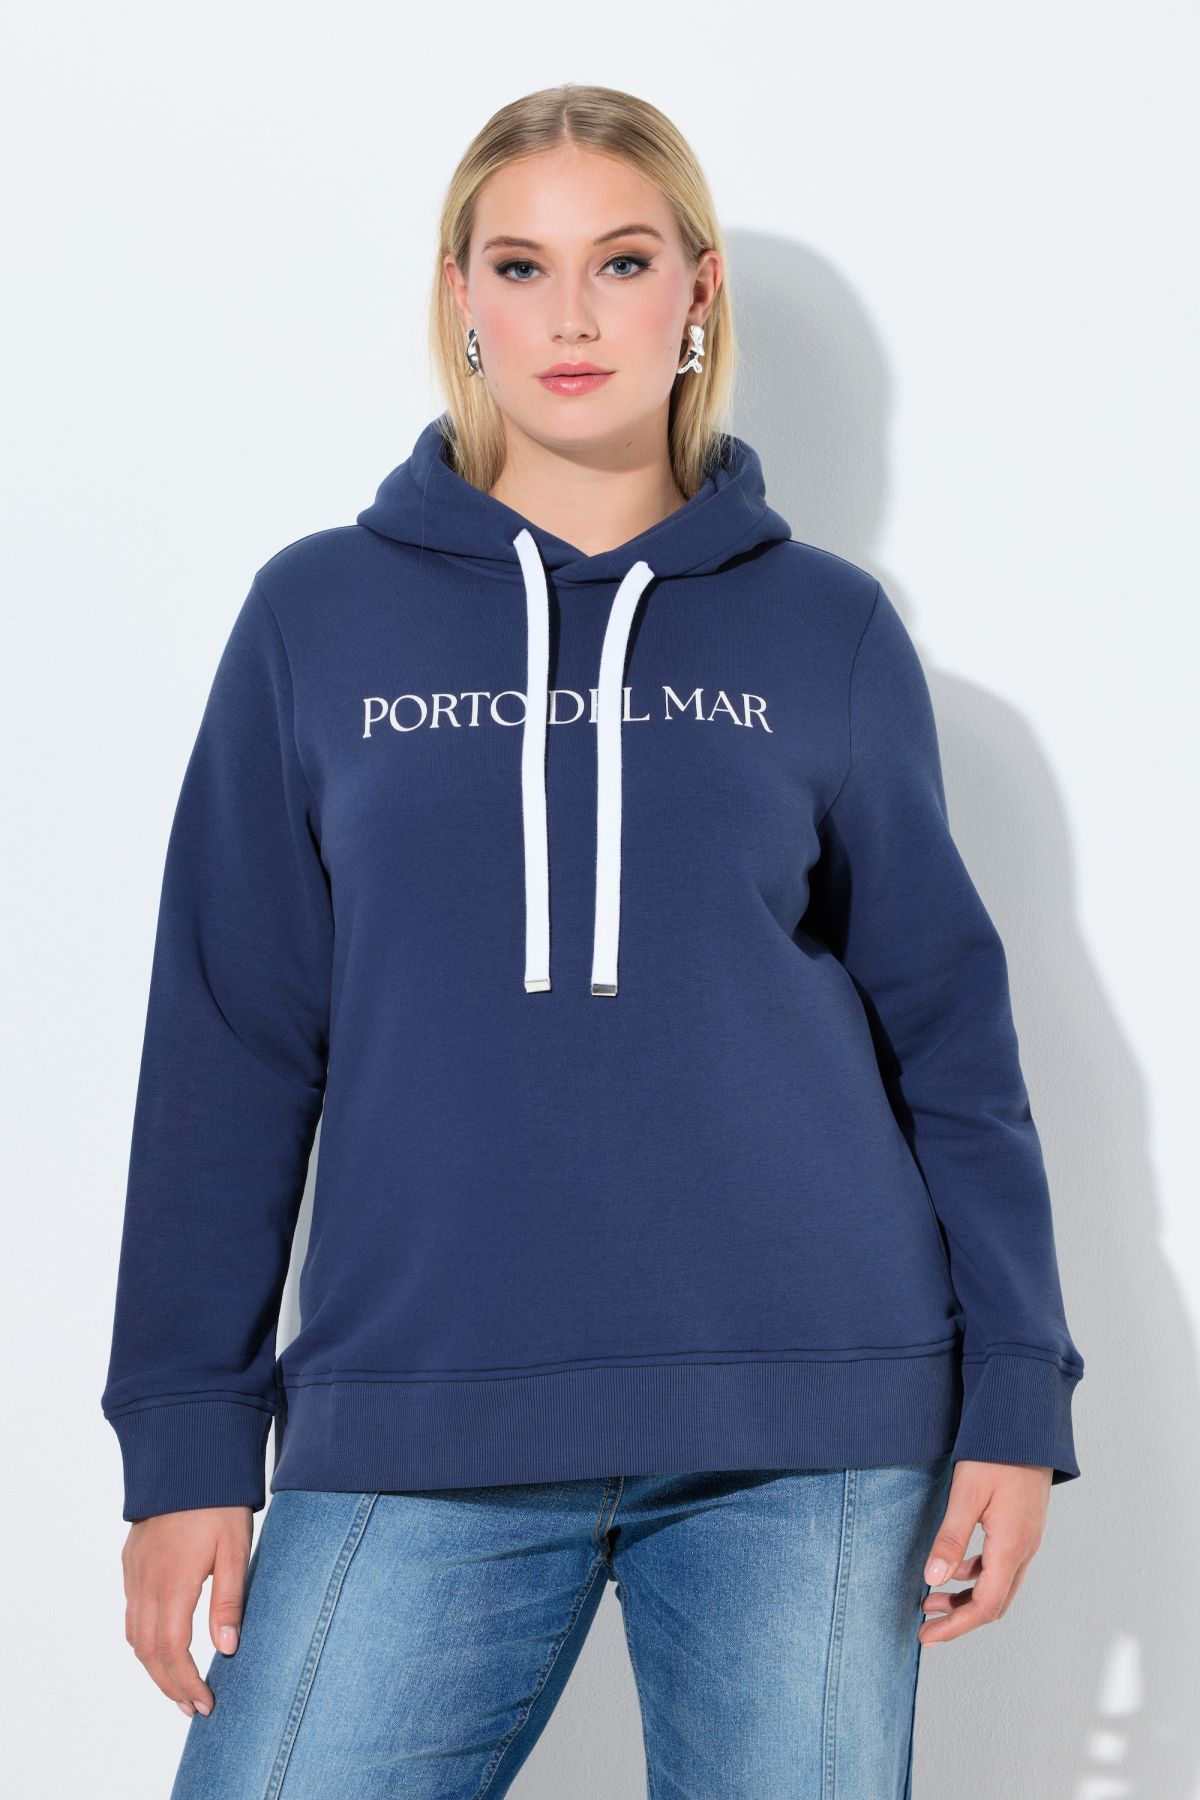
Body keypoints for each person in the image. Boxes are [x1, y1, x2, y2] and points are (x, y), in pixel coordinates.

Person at [101, 83, 1085, 1799]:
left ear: (697, 290)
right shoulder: (316, 616)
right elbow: (230, 1042)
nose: (571, 315)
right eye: (521, 265)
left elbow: (948, 1034)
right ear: (460, 295)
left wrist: (1016, 1390)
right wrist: (186, 1439)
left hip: (811, 1422)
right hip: (417, 1408)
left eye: (621, 262)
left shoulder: (827, 628)